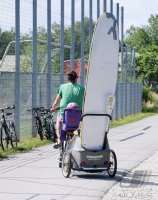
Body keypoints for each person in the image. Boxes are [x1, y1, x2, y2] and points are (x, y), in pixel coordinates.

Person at [50, 71, 85, 148]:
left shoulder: (62, 87)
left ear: (68, 78)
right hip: (77, 115)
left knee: (59, 123)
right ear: (76, 78)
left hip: (64, 113)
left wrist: (53, 108)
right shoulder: (82, 89)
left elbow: (56, 102)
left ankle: (59, 140)